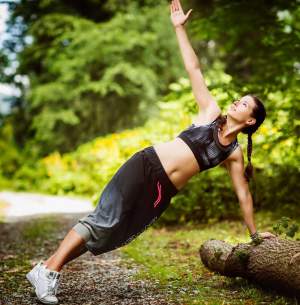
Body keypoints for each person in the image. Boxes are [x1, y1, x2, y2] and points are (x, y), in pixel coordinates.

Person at [26, 0, 276, 304]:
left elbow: (243, 195)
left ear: (250, 120)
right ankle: (50, 271)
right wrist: (179, 29)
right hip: (146, 165)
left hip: (162, 192)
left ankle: (46, 268)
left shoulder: (233, 153)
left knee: (111, 234)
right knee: (103, 220)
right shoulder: (210, 112)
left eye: (244, 104)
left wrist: (254, 235)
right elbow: (193, 67)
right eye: (239, 99)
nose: (237, 102)